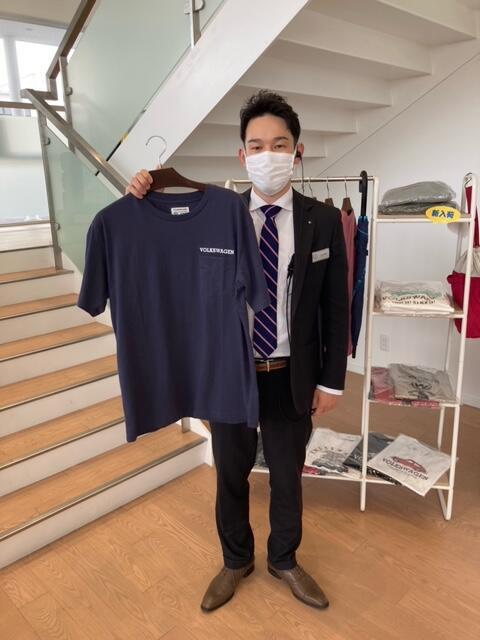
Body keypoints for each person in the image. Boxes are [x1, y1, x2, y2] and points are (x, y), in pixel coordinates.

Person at [125, 91, 349, 612]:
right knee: (230, 472)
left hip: (292, 372)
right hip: (228, 372)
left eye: (280, 144)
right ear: (242, 155)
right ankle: (235, 560)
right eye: (257, 145)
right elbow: (166, 249)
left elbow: (336, 307)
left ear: (297, 152)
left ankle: (284, 559)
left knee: (288, 476)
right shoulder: (215, 215)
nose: (269, 154)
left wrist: (331, 380)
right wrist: (140, 192)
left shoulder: (321, 220)